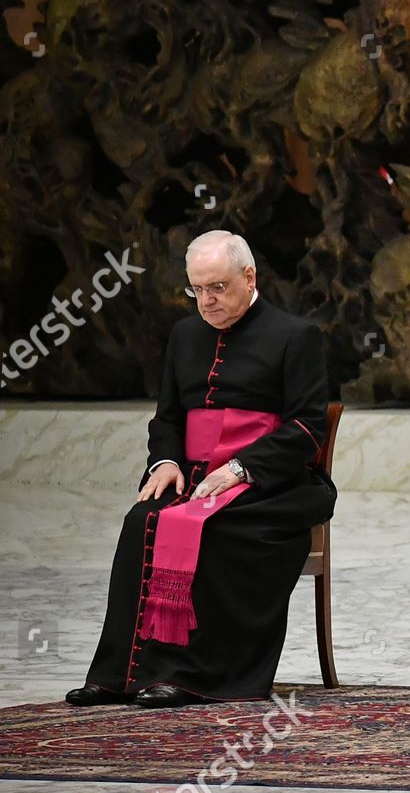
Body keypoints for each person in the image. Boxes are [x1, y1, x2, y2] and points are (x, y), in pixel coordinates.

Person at [67, 231, 335, 708]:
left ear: (249, 277)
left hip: (270, 482)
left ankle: (191, 677)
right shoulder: (185, 335)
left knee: (213, 528)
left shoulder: (296, 335)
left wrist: (240, 468)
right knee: (141, 521)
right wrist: (165, 461)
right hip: (192, 476)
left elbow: (307, 427)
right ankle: (119, 675)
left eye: (218, 287)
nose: (207, 301)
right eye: (197, 289)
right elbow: (168, 417)